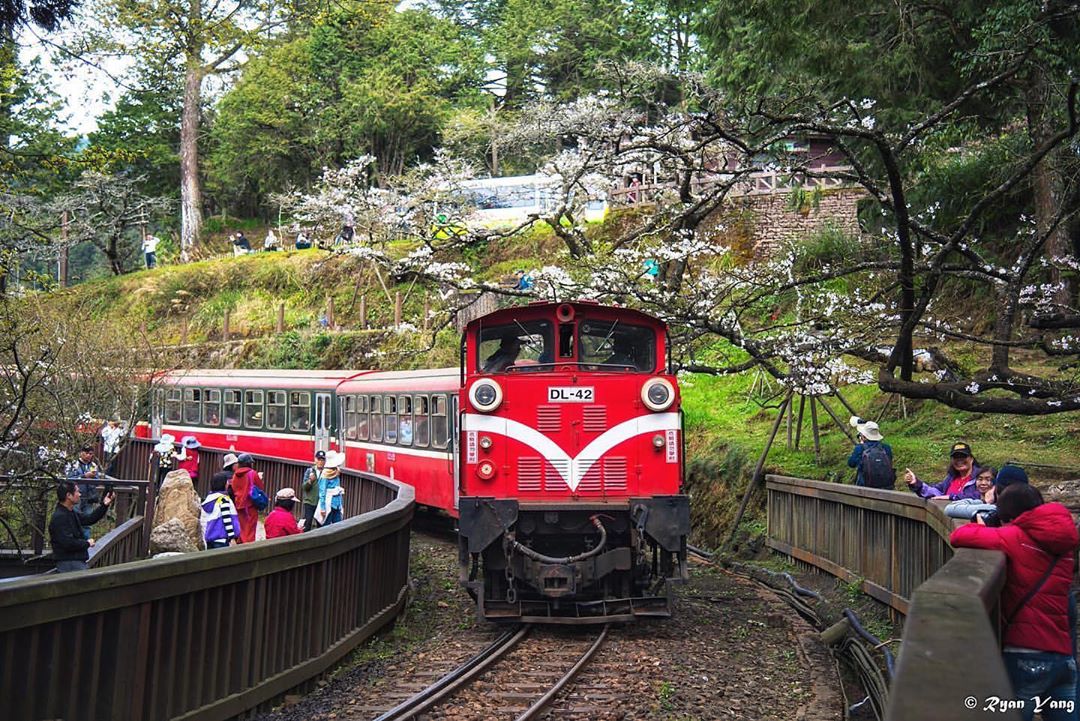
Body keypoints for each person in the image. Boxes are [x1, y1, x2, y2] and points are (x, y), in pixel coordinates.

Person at [951, 481, 1079, 720]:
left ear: (1008, 516)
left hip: (1025, 656)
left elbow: (959, 535)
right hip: (1063, 658)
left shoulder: (1013, 536)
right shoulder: (1063, 541)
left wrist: (986, 526)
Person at [49, 479, 113, 572]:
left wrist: (104, 505)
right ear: (69, 495)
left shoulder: (71, 512)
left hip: (76, 560)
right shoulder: (60, 517)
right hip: (69, 562)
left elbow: (89, 519)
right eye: (77, 491)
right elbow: (67, 543)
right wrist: (87, 543)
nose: (79, 494)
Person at [904, 441, 982, 500]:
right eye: (955, 457)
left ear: (971, 459)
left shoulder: (980, 477)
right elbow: (935, 492)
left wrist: (952, 497)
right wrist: (916, 483)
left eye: (963, 456)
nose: (959, 460)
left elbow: (980, 495)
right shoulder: (950, 479)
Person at [66, 445, 105, 539]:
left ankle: (85, 541)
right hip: (76, 496)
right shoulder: (74, 464)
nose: (88, 455)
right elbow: (69, 479)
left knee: (88, 521)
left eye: (90, 454)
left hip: (89, 497)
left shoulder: (93, 466)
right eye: (86, 453)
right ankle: (74, 540)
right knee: (74, 519)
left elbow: (97, 481)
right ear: (81, 453)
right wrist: (84, 476)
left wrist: (93, 477)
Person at [845, 417, 895, 488]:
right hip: (887, 487)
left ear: (863, 436)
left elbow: (851, 464)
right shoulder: (886, 448)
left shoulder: (860, 448)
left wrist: (861, 445)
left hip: (866, 487)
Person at [229, 453, 265, 543]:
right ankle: (248, 551)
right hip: (250, 505)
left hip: (238, 504)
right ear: (249, 463)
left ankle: (239, 547)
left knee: (241, 528)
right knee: (250, 530)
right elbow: (260, 488)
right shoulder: (252, 474)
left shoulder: (235, 475)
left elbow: (233, 488)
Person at [200, 473, 239, 549]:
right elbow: (226, 518)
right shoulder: (223, 499)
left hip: (210, 538)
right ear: (223, 484)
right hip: (222, 538)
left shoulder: (209, 499)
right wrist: (232, 537)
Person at [317, 450, 345, 526]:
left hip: (337, 503)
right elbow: (322, 492)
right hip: (328, 503)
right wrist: (322, 508)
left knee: (338, 526)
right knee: (326, 526)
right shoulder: (325, 474)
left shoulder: (335, 471)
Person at [301, 450, 325, 532]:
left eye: (322, 460)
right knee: (307, 524)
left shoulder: (326, 472)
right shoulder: (310, 471)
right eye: (319, 460)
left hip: (320, 503)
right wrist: (310, 481)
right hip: (309, 502)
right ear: (315, 460)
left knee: (321, 525)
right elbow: (304, 487)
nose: (320, 462)